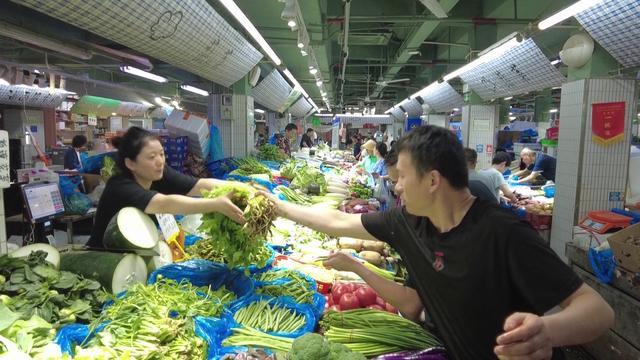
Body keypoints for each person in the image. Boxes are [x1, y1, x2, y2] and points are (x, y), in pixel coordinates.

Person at [263, 125, 614, 359]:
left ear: (432, 180)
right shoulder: (408, 223)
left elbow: (598, 311)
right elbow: (337, 221)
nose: (395, 186)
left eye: (401, 177)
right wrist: (275, 206)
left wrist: (546, 331)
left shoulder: (503, 232)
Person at [87, 127, 244, 248]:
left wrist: (243, 188)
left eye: (161, 154)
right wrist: (215, 205)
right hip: (106, 256)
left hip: (136, 250)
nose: (160, 161)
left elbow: (199, 185)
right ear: (130, 163)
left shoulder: (159, 173)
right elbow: (163, 203)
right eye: (151, 157)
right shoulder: (120, 187)